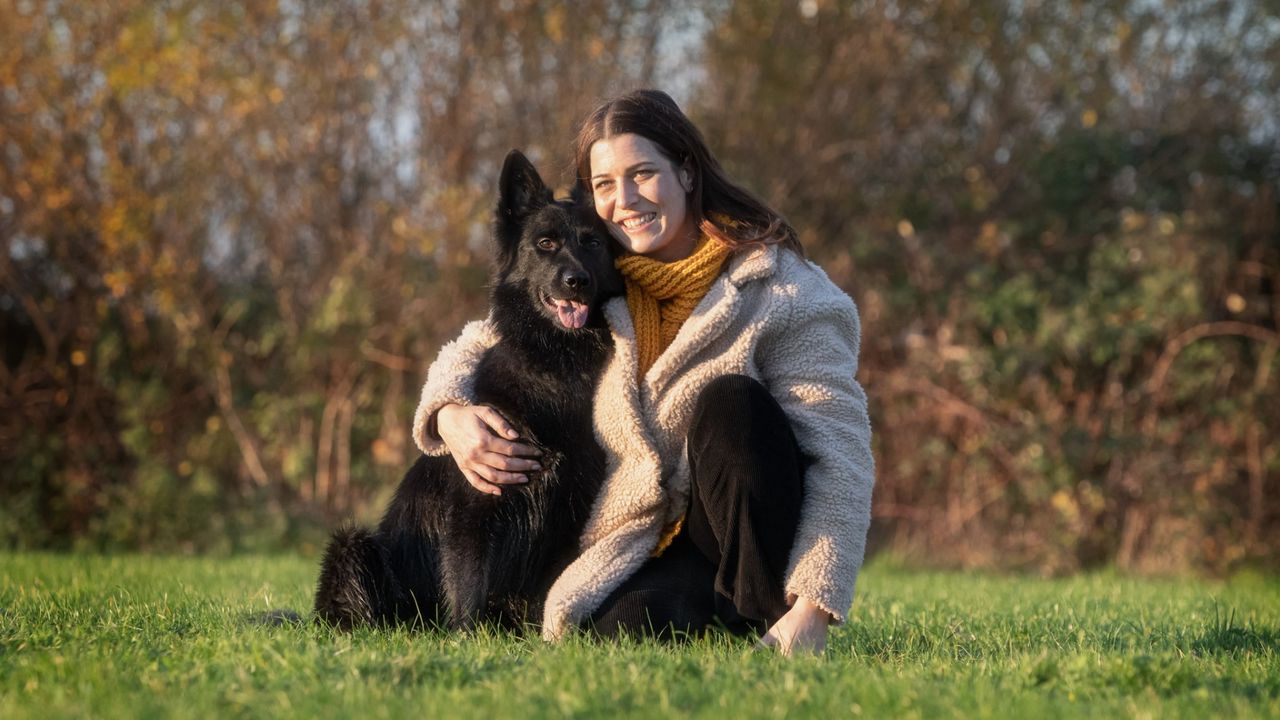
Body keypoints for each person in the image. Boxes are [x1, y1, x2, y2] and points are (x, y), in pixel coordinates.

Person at [411, 90, 874, 656]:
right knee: (620, 633)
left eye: (643, 174)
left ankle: (764, 616)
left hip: (746, 528)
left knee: (731, 401)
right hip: (646, 537)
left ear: (686, 170)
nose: (624, 199)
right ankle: (707, 613)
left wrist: (815, 607)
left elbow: (841, 453)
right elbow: (482, 339)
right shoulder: (598, 276)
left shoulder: (786, 289)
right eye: (605, 183)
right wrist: (451, 415)